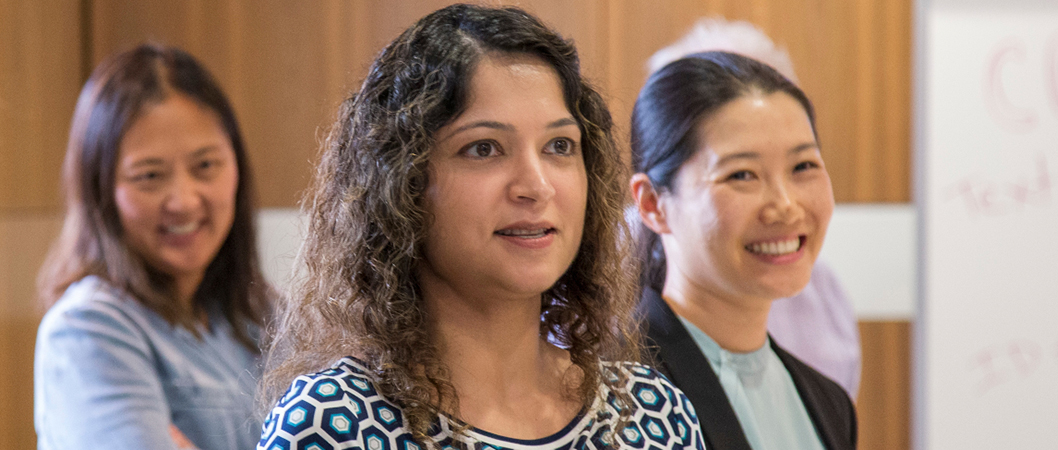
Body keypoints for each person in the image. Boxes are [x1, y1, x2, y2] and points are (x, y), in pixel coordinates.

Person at [256, 5, 704, 450]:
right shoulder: (334, 423)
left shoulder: (652, 414)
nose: (536, 185)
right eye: (484, 148)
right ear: (401, 185)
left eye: (559, 146)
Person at [34, 44, 271, 450]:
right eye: (149, 176)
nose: (183, 200)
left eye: (205, 166)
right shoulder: (89, 329)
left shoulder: (268, 317)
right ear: (101, 190)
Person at [630, 51, 857, 450]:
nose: (785, 205)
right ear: (652, 203)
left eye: (803, 166)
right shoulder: (615, 391)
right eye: (742, 174)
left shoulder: (830, 403)